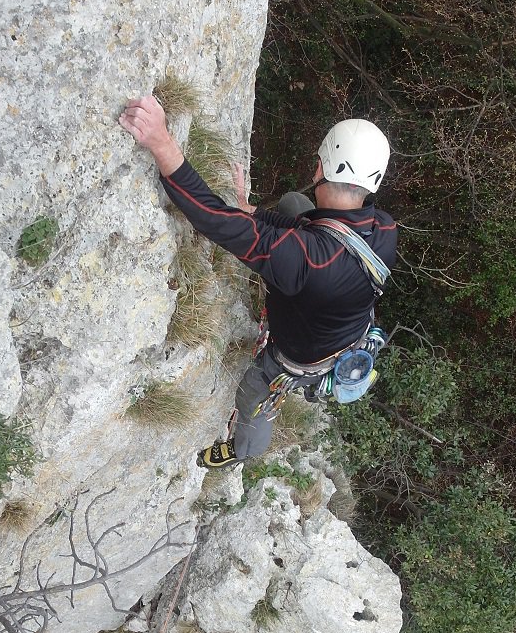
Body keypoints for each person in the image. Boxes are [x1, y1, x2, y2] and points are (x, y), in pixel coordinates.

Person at [119, 94, 397, 467]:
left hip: (301, 357)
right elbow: (309, 227)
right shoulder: (384, 227)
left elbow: (212, 218)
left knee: (253, 394)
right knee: (295, 206)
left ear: (320, 167)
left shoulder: (305, 259)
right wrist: (252, 214)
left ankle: (242, 451)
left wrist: (161, 141)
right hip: (346, 328)